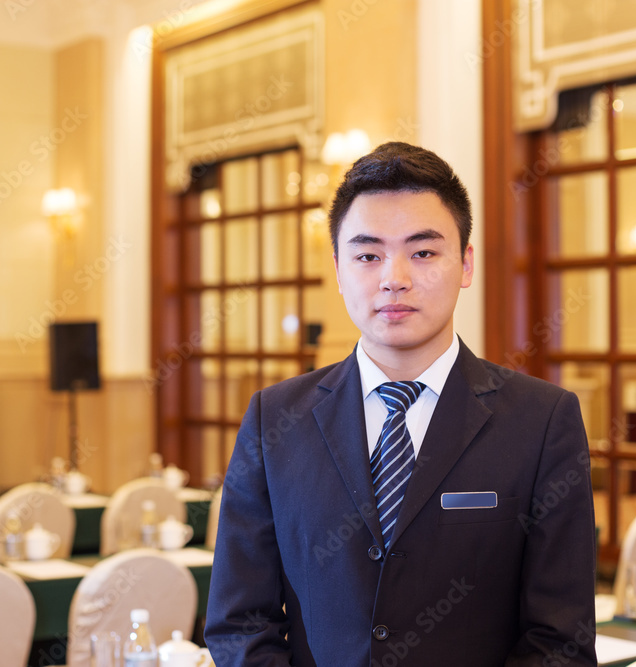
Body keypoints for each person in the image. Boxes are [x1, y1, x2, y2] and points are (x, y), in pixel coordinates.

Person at [204, 142, 596, 666]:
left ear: (465, 264)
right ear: (340, 271)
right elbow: (238, 623)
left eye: (423, 252)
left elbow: (560, 640)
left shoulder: (543, 421)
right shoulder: (273, 419)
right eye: (368, 255)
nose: (395, 278)